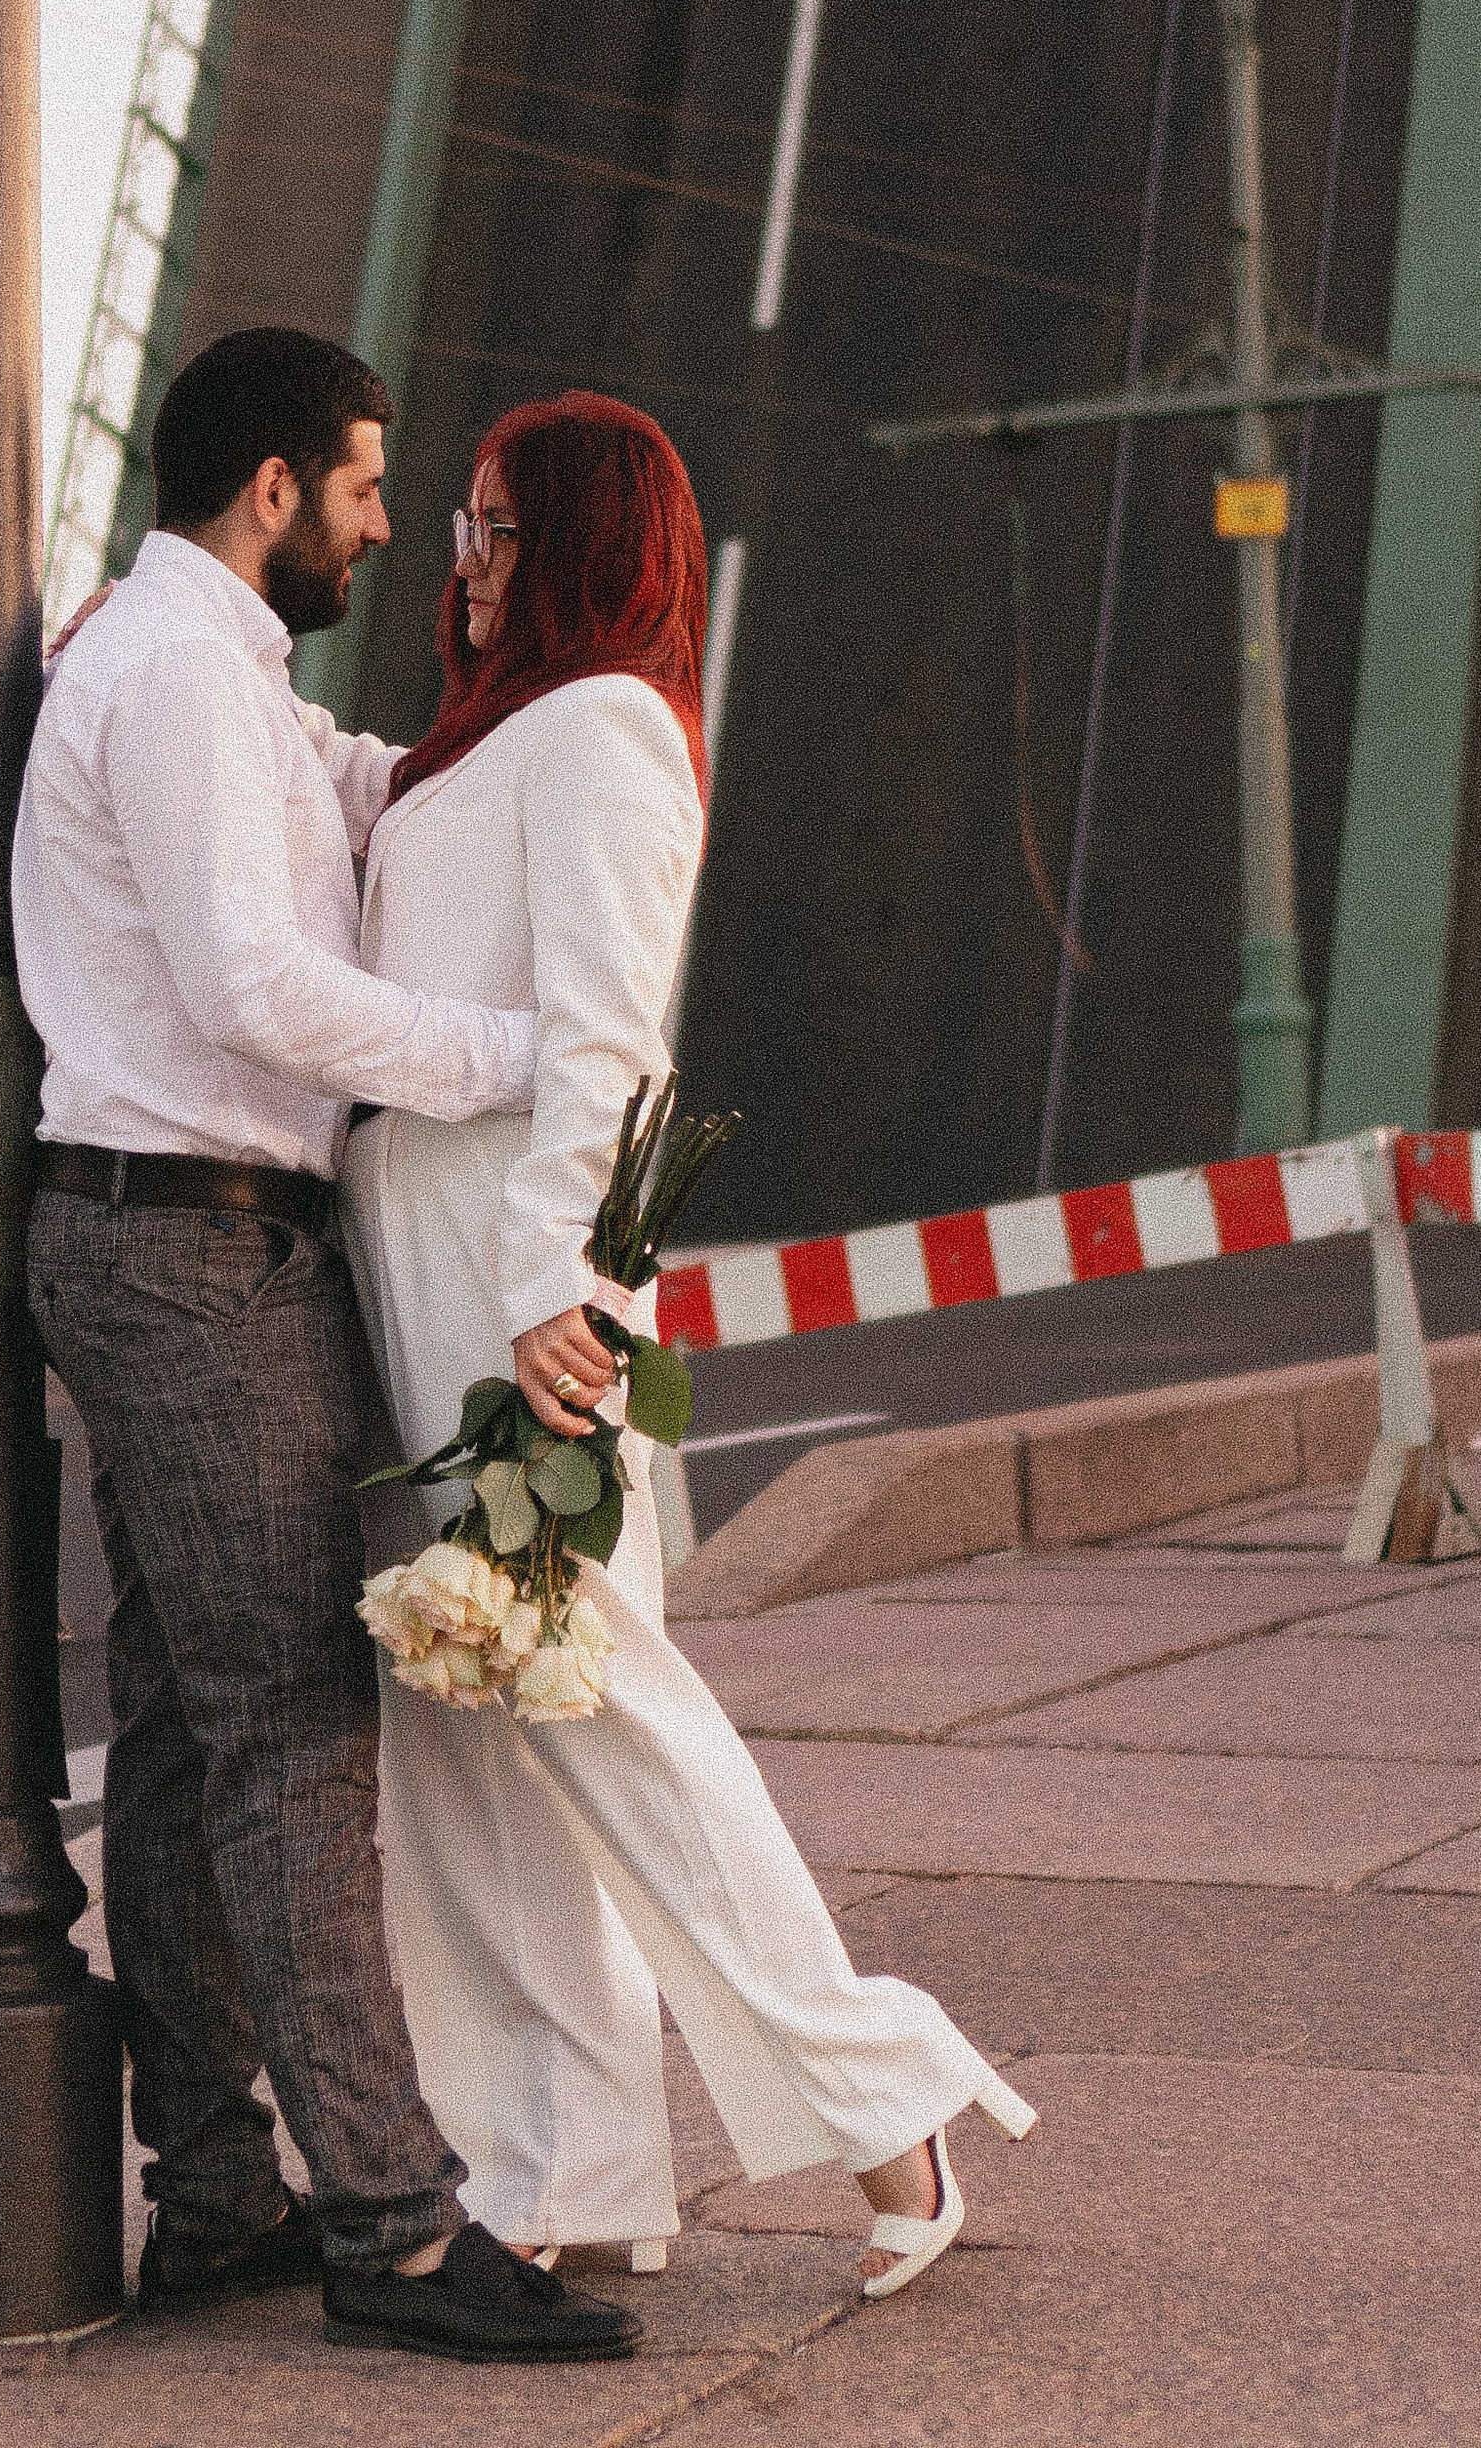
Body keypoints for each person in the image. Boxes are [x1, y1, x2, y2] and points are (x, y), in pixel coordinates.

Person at [338, 391, 1035, 2297]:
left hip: (514, 1266)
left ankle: (883, 2097)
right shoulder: (482, 741)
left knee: (599, 1702)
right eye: (462, 526)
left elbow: (610, 1036)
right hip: (425, 1246)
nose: (463, 563)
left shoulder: (605, 729)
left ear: (580, 541)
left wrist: (553, 1280)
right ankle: (558, 2168)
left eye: (498, 527)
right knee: (470, 1729)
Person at [13, 327, 641, 2366]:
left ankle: (215, 2196)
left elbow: (372, 796)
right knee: (293, 1731)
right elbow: (252, 987)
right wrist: (525, 1054)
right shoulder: (179, 675)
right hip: (191, 1249)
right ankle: (393, 2226)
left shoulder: (216, 674)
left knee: (191, 1733)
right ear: (273, 488)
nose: (383, 526)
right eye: (366, 489)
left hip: (168, 1239)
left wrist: (503, 714)